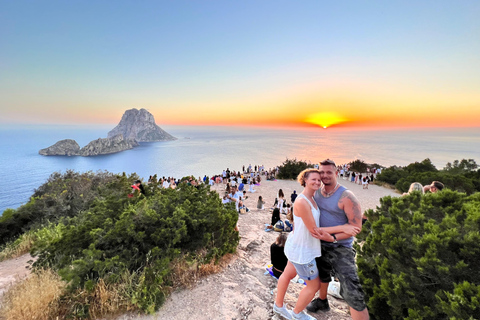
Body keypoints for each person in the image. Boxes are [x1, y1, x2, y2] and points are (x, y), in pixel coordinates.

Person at [307, 159, 368, 320]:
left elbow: (356, 227)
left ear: (336, 173)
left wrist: (333, 238)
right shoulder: (317, 192)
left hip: (341, 247)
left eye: (329, 172)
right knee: (322, 274)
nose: (325, 175)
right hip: (319, 243)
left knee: (351, 287)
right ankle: (322, 300)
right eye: (321, 172)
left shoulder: (347, 196)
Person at [274, 168, 335, 320]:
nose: (317, 182)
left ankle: (278, 306)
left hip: (298, 245)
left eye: (318, 180)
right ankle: (297, 313)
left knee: (288, 274)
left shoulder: (312, 198)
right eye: (313, 179)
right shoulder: (302, 201)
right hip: (303, 251)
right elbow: (314, 230)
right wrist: (334, 237)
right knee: (314, 286)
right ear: (305, 180)